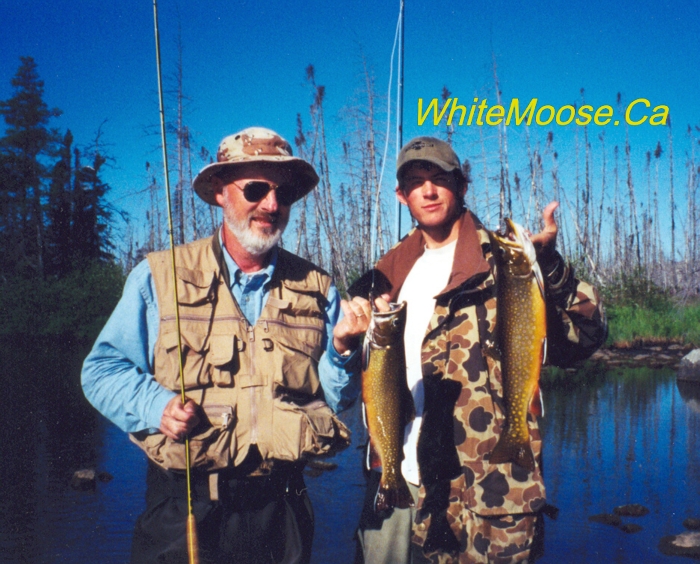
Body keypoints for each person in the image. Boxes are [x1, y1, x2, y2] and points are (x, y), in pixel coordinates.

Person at [82, 127, 363, 564]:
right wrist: (156, 406)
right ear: (219, 191)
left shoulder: (318, 287)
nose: (271, 205)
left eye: (284, 193)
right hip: (184, 513)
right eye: (255, 189)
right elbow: (101, 371)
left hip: (283, 513)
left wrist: (342, 351)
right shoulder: (159, 276)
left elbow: (334, 398)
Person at [344, 136, 607, 563]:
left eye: (440, 179)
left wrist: (549, 266)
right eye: (416, 182)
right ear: (401, 195)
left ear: (462, 186)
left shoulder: (505, 262)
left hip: (486, 491)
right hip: (399, 478)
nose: (429, 191)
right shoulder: (385, 275)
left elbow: (588, 334)